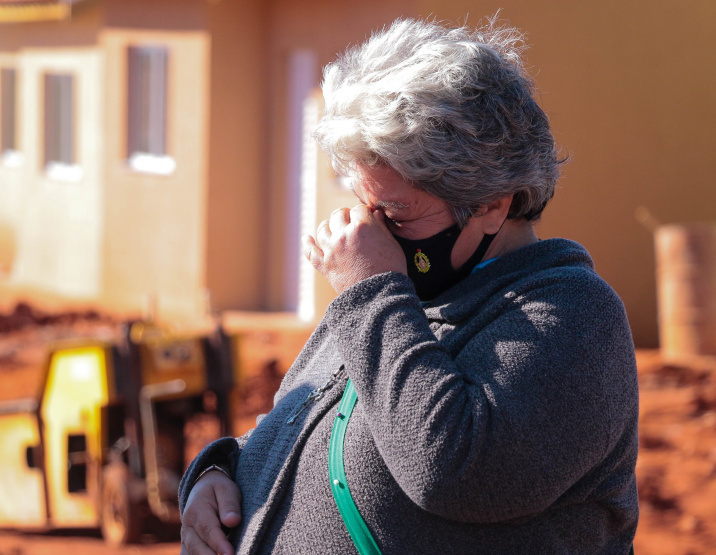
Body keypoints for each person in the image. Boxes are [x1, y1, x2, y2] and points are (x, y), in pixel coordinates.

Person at [179, 16, 638, 555]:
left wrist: (371, 292)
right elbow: (308, 426)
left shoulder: (573, 317)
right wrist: (222, 471)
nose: (368, 232)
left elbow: (453, 472)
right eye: (365, 204)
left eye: (396, 212)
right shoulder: (393, 296)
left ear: (493, 205)